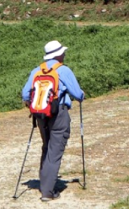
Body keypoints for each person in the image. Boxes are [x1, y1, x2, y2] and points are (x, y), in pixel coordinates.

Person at [21, 40, 85, 202]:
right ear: (58, 54)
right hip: (59, 114)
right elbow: (78, 95)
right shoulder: (63, 70)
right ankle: (47, 192)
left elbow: (25, 94)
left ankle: (45, 183)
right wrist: (82, 95)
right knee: (55, 151)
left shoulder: (37, 71)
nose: (64, 54)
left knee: (47, 147)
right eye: (63, 52)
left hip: (40, 115)